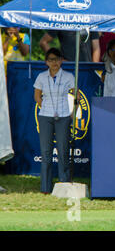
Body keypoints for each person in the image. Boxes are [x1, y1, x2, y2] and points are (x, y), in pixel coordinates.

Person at [33, 48, 75, 193]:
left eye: (57, 59)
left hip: (63, 116)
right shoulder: (41, 76)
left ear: (61, 60)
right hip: (45, 116)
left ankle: (63, 184)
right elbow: (37, 96)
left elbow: (76, 95)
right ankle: (45, 187)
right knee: (46, 153)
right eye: (51, 59)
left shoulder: (69, 76)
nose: (54, 62)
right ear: (46, 62)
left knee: (63, 150)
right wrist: (45, 107)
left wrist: (72, 112)